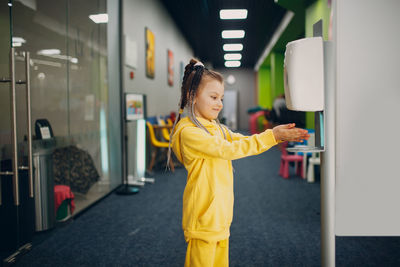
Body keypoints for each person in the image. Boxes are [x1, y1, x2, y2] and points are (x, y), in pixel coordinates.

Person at [167, 59, 309, 267]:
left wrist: (275, 135)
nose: (219, 103)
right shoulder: (189, 132)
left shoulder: (217, 128)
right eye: (213, 97)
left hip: (221, 216)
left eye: (221, 98)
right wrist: (272, 136)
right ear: (192, 96)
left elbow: (241, 141)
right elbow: (228, 150)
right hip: (203, 218)